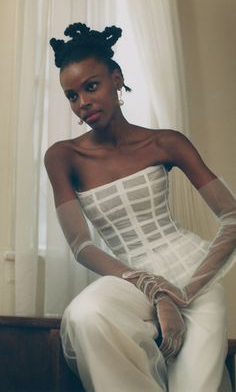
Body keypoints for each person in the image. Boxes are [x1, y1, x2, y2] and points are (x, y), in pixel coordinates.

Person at [45, 23, 236, 392]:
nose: (82, 102)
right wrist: (155, 290)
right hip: (130, 279)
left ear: (117, 79)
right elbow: (81, 245)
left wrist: (184, 293)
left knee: (196, 387)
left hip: (195, 278)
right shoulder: (62, 156)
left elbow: (232, 217)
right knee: (87, 316)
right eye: (71, 95)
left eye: (91, 86)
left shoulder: (166, 143)